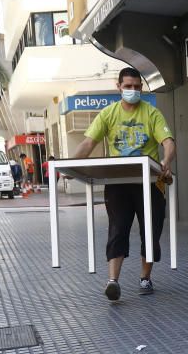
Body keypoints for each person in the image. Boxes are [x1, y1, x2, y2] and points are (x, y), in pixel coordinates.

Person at [71, 66, 176, 301]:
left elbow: (168, 142)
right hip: (118, 181)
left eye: (137, 87)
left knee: (151, 231)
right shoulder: (108, 114)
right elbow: (88, 144)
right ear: (118, 87)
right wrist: (71, 166)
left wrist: (166, 160)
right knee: (118, 229)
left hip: (149, 183)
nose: (133, 90)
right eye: (128, 86)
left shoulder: (151, 113)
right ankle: (112, 281)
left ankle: (145, 278)